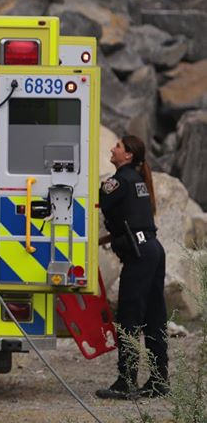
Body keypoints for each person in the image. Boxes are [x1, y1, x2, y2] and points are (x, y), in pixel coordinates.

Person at [95, 135, 168, 399]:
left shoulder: (119, 180)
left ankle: (126, 381)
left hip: (139, 254)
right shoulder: (137, 180)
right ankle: (159, 381)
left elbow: (99, 200)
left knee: (129, 317)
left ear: (128, 155)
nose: (112, 149)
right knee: (154, 317)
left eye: (118, 146)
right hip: (152, 249)